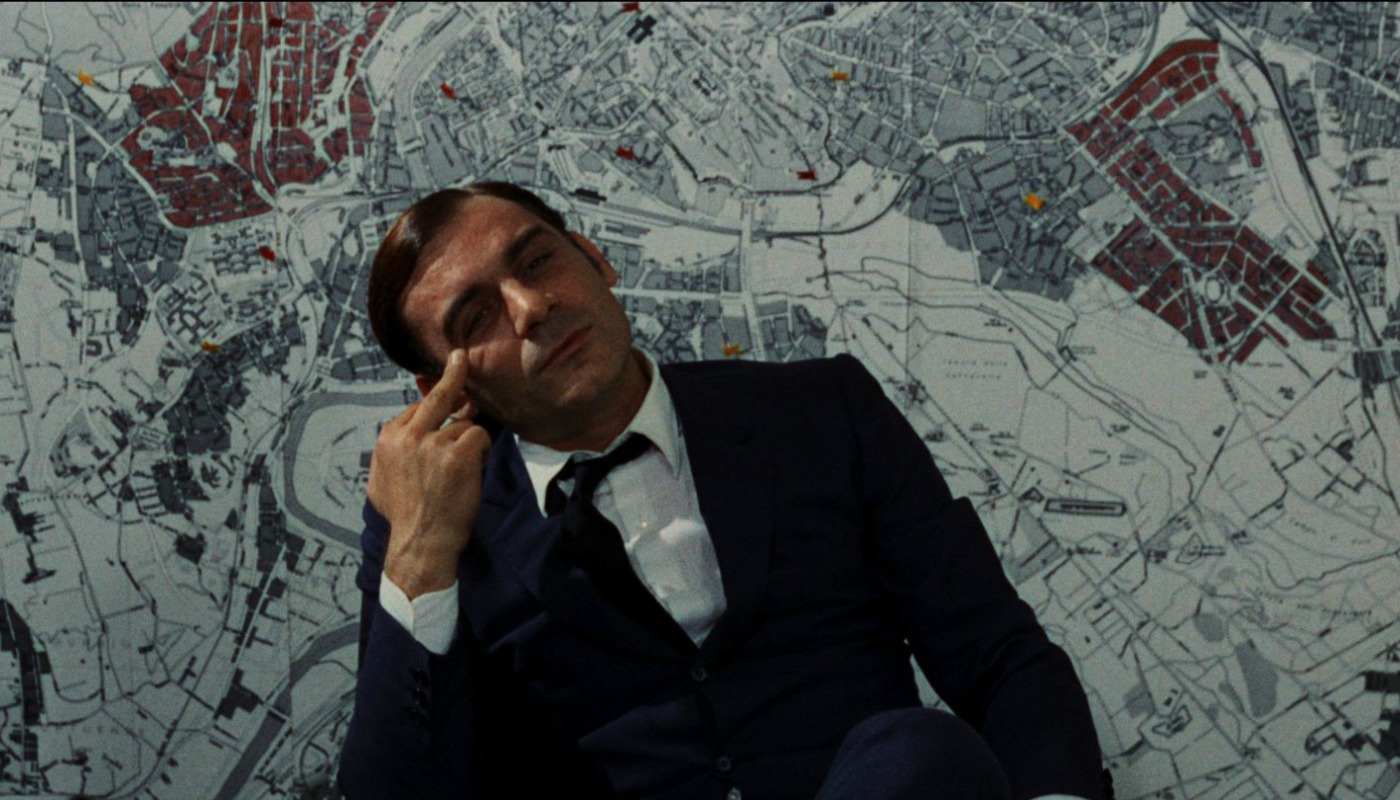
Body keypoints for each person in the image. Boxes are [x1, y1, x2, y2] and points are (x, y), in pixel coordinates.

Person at [337, 182, 1109, 800]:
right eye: (477, 316)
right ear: (443, 389)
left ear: (596, 259)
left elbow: (998, 655)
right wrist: (418, 553)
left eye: (538, 262)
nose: (531, 307)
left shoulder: (820, 412)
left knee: (917, 754)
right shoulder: (430, 527)